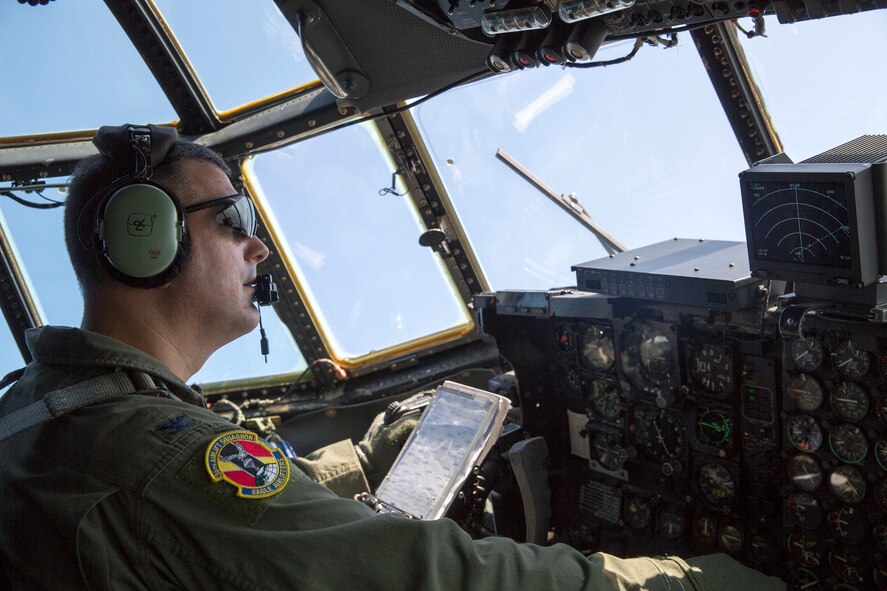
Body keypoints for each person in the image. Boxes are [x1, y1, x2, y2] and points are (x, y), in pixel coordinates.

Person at [0, 125, 785, 590]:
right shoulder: (150, 454)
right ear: (147, 234)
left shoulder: (48, 411)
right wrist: (685, 579)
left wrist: (376, 450)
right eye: (232, 217)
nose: (259, 245)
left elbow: (238, 515)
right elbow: (427, 574)